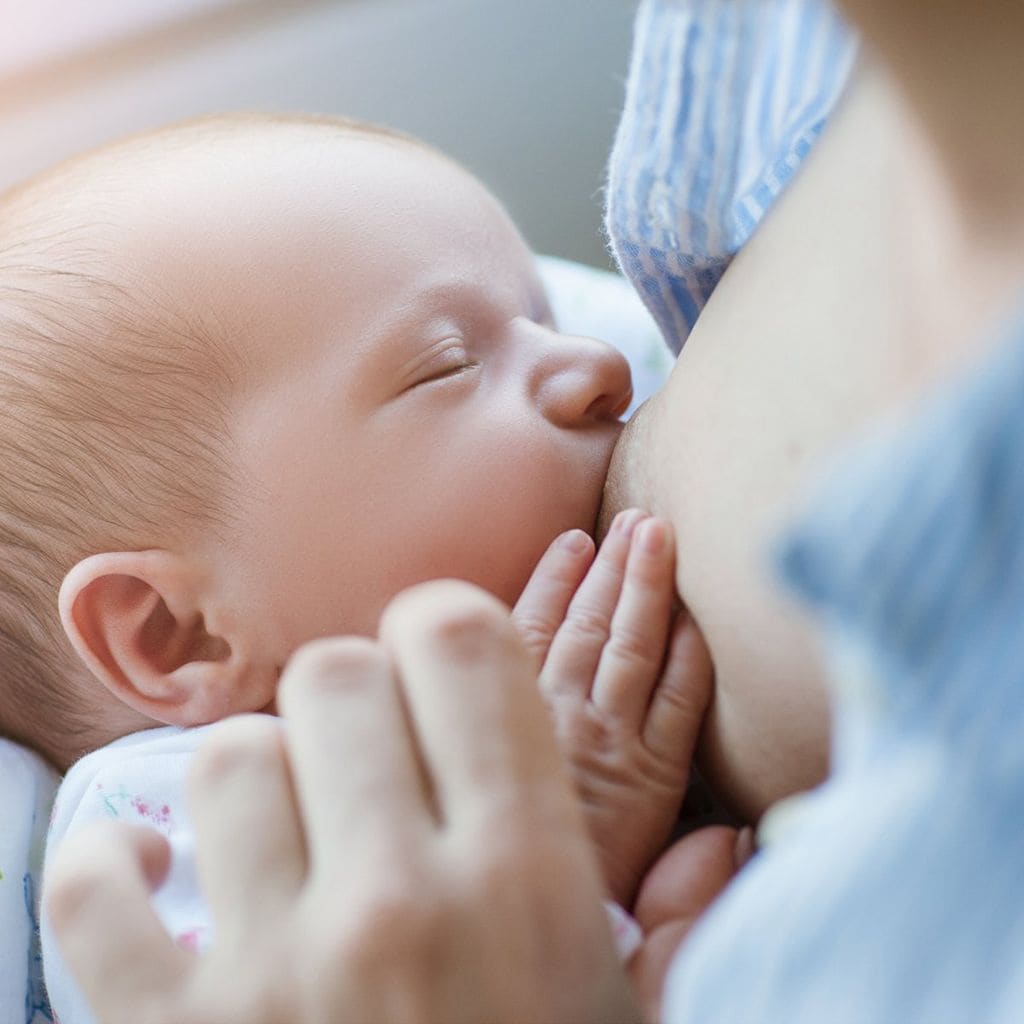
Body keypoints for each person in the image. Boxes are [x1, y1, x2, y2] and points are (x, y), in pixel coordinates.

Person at [46, 0, 1024, 1019]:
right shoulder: (163, 831)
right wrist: (563, 855)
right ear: (178, 630)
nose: (600, 364)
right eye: (447, 363)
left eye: (545, 317)